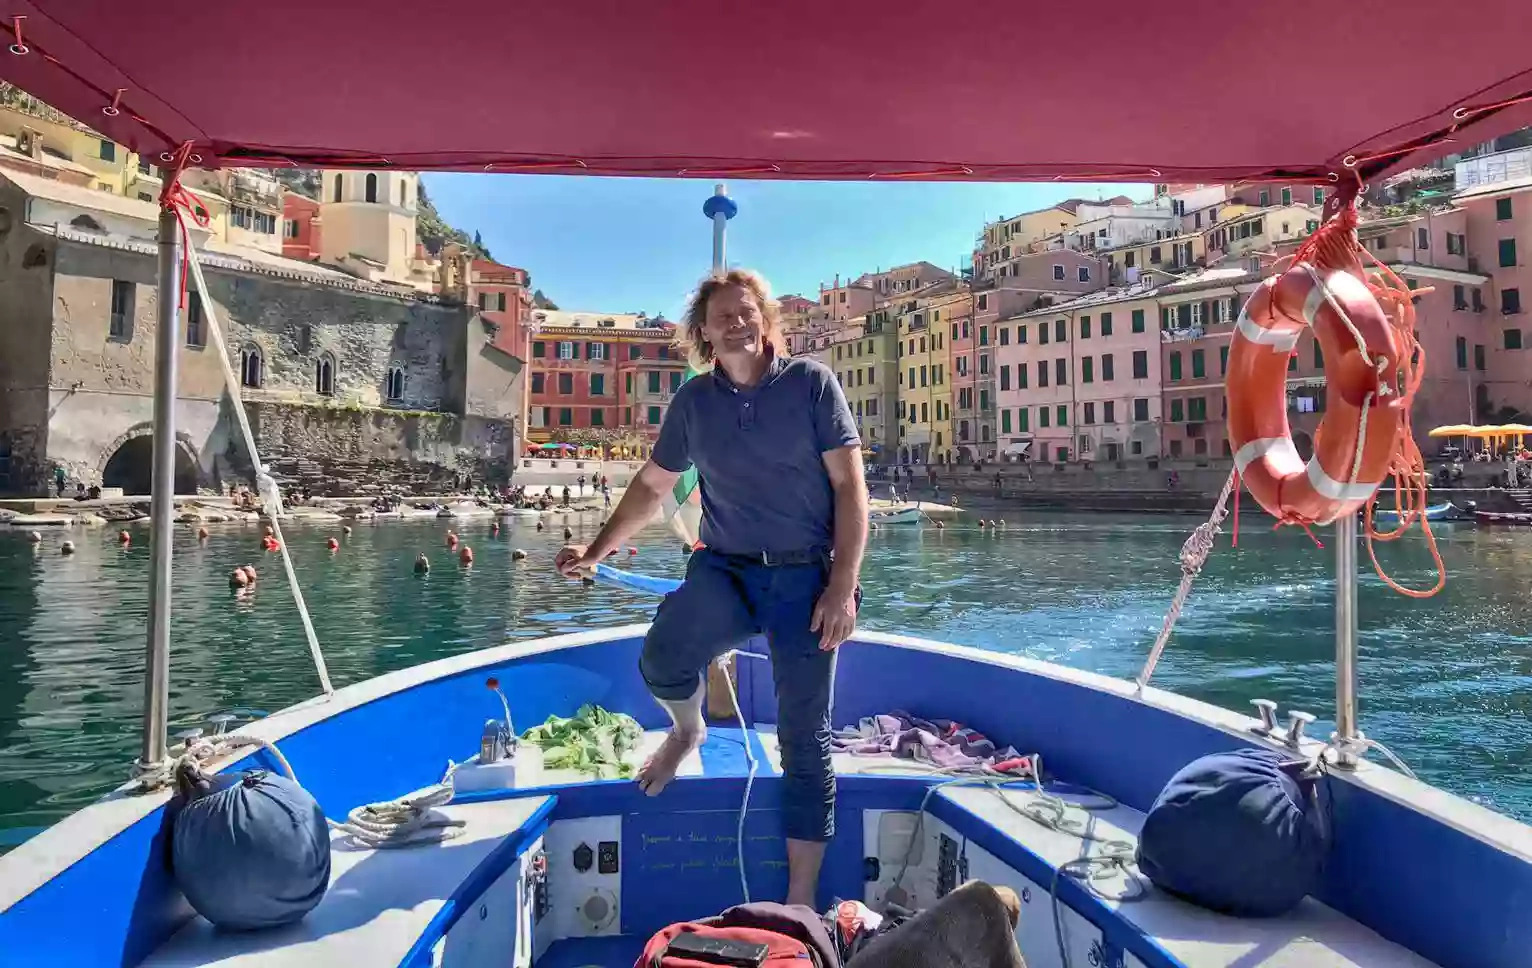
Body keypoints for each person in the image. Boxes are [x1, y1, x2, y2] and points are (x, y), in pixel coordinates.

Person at [555, 269, 867, 907]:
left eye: (747, 311)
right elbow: (651, 487)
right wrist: (594, 551)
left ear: (765, 318)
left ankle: (801, 902)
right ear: (702, 332)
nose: (736, 322)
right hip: (725, 568)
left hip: (807, 575)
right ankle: (687, 731)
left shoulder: (812, 385)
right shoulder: (694, 401)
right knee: (663, 657)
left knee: (805, 739)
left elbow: (848, 487)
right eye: (722, 315)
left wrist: (842, 585)